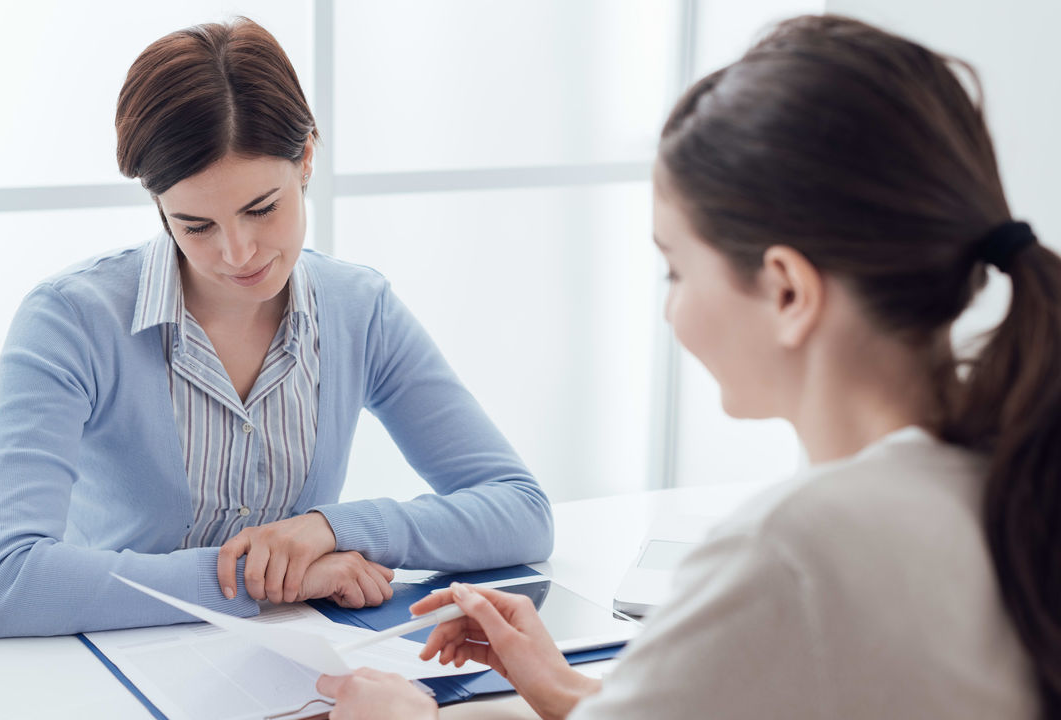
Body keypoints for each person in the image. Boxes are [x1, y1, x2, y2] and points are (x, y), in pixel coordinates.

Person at [317, 14, 1059, 719]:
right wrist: (565, 688)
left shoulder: (796, 551)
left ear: (788, 291)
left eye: (675, 268)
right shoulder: (1009, 478)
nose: (670, 309)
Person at [0, 18, 553, 638]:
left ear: (304, 160)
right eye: (196, 226)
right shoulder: (71, 320)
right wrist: (258, 579)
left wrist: (332, 527)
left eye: (262, 209)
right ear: (158, 204)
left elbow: (520, 510)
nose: (238, 252)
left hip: (296, 664)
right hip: (115, 665)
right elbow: (7, 581)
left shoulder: (360, 309)